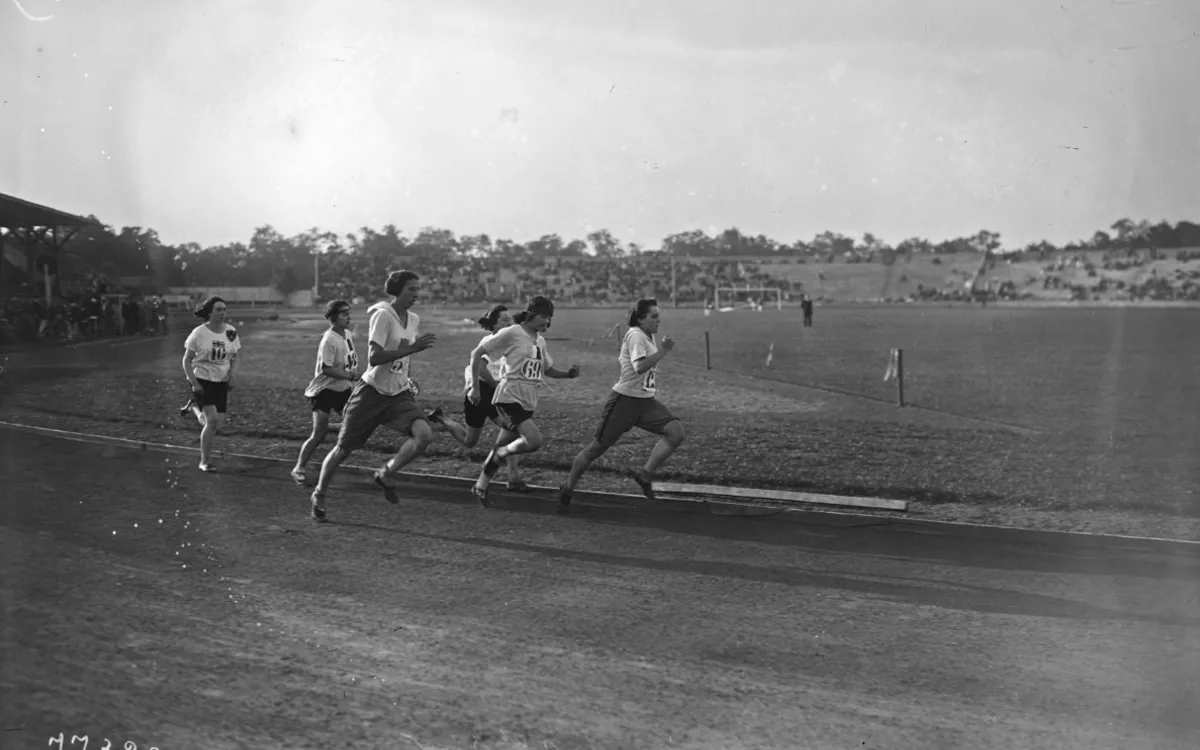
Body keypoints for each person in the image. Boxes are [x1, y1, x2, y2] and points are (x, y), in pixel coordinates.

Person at [308, 270, 438, 522]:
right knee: (342, 449)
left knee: (424, 435)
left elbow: (402, 355)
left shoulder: (413, 319)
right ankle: (319, 493)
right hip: (371, 393)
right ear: (397, 290)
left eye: (417, 288)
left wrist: (407, 376)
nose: (416, 294)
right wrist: (413, 348)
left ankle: (386, 473)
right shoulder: (382, 316)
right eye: (411, 289)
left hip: (398, 394)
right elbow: (375, 357)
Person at [557, 298, 684, 515]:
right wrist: (663, 350)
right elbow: (639, 367)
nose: (658, 320)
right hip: (624, 402)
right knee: (596, 448)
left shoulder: (647, 335)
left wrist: (660, 350)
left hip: (645, 402)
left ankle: (645, 475)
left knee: (676, 433)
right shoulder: (635, 334)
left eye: (658, 315)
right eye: (653, 316)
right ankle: (567, 488)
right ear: (640, 318)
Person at [466, 296, 580, 507]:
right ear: (531, 313)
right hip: (509, 396)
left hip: (528, 400)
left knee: (501, 444)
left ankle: (480, 486)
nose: (547, 322)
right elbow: (477, 353)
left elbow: (546, 369)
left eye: (549, 318)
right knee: (534, 440)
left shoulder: (540, 341)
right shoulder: (513, 332)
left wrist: (568, 375)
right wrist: (474, 386)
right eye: (543, 316)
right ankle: (503, 455)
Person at [426, 304, 528, 490]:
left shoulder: (509, 342)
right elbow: (481, 369)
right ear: (494, 326)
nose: (508, 323)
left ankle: (513, 478)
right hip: (481, 391)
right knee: (472, 441)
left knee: (508, 431)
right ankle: (441, 418)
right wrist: (492, 386)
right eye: (504, 320)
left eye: (509, 320)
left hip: (492, 393)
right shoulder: (490, 340)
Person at [290, 300, 360, 486]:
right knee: (318, 435)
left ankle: (329, 429)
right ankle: (299, 468)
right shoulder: (329, 340)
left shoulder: (347, 334)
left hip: (343, 388)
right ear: (333, 317)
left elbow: (348, 360)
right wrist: (351, 375)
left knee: (354, 424)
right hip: (324, 391)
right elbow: (327, 369)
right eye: (344, 313)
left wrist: (351, 378)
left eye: (348, 313)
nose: (348, 316)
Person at [180, 296, 241, 472]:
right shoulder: (199, 333)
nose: (222, 313)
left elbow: (236, 356)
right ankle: (204, 462)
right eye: (218, 309)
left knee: (215, 423)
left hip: (221, 381)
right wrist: (194, 383)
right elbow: (186, 361)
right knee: (212, 421)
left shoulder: (230, 332)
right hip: (202, 379)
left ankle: (194, 408)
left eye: (224, 309)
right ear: (210, 312)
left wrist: (232, 375)